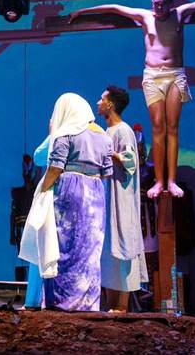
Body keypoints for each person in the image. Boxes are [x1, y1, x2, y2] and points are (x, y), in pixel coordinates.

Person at [70, 0, 195, 199]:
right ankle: (159, 181)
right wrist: (82, 11)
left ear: (170, 4)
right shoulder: (145, 16)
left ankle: (171, 181)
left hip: (174, 74)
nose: (158, 7)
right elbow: (114, 8)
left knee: (172, 127)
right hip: (153, 76)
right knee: (158, 127)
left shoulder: (180, 14)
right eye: (155, 2)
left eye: (162, 3)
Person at [39, 93, 113, 311]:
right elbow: (107, 172)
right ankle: (88, 302)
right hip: (96, 192)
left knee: (64, 244)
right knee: (90, 247)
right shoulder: (104, 136)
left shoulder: (67, 133)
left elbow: (55, 167)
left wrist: (43, 190)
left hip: (69, 188)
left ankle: (62, 301)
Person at [97, 85, 149, 312]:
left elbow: (130, 161)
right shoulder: (106, 131)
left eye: (101, 99)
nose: (98, 103)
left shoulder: (123, 130)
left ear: (110, 104)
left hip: (121, 197)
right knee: (108, 249)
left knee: (123, 243)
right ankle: (110, 303)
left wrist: (109, 153)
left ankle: (122, 305)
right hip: (107, 197)